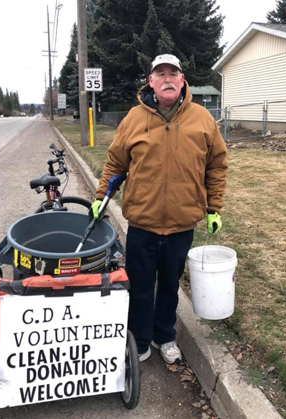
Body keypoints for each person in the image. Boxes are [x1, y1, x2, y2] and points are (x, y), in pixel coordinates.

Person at [89, 54, 228, 363]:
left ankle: (164, 336)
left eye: (173, 73)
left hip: (182, 223)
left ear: (182, 80)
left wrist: (213, 207)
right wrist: (101, 197)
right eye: (160, 74)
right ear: (150, 81)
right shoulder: (133, 119)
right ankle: (139, 340)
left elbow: (217, 166)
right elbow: (115, 163)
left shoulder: (202, 119)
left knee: (169, 285)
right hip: (143, 222)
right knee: (139, 286)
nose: (167, 79)